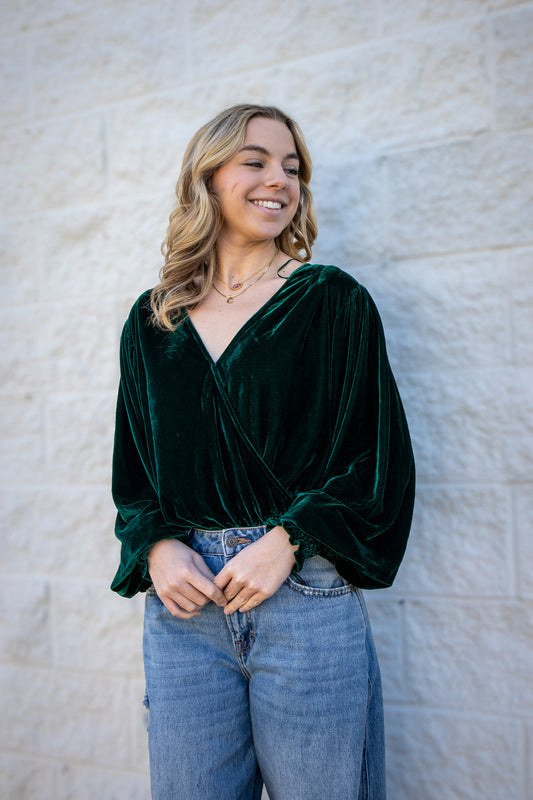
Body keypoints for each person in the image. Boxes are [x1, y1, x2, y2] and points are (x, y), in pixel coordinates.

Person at [111, 103, 415, 800]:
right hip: (183, 610)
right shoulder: (153, 318)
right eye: (255, 161)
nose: (279, 179)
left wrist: (287, 541)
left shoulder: (332, 301)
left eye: (292, 167)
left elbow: (376, 462)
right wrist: (156, 545)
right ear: (208, 178)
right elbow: (134, 471)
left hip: (303, 593)